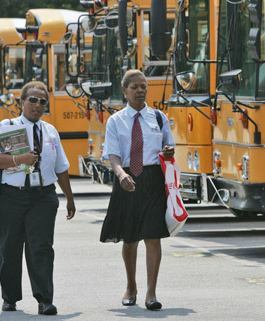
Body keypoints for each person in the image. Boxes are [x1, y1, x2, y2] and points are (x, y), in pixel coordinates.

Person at [0, 81, 76, 316]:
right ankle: (10, 297)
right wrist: (19, 159)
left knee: (41, 248)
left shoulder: (50, 131)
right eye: (33, 100)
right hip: (11, 197)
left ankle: (44, 299)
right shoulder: (7, 126)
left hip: (43, 197)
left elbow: (61, 168)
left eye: (42, 101)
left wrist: (69, 198)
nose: (37, 105)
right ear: (22, 102)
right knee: (9, 248)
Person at [100, 69, 175, 311]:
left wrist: (167, 151)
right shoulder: (115, 121)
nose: (140, 90)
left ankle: (151, 293)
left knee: (153, 237)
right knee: (130, 237)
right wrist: (121, 175)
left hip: (152, 180)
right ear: (124, 91)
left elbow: (169, 147)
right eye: (134, 87)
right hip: (127, 180)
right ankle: (131, 286)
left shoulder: (159, 117)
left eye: (143, 86)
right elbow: (112, 154)